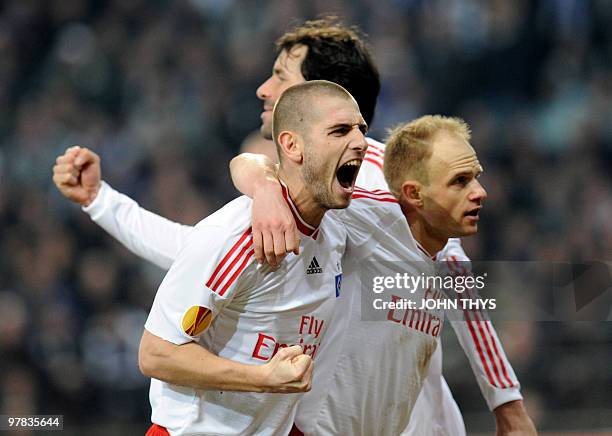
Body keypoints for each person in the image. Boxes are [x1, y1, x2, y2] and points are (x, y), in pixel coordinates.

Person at [52, 18, 534, 435]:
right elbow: (201, 249)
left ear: (322, 96)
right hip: (311, 420)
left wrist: (507, 404)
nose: (264, 88)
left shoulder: (376, 186)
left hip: (406, 415)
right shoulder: (310, 207)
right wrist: (105, 203)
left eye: (281, 77)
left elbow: (457, 276)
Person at [137, 80, 368, 435]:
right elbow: (156, 353)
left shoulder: (334, 234)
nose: (360, 142)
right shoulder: (233, 236)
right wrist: (263, 379)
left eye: (360, 130)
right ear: (292, 145)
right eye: (340, 131)